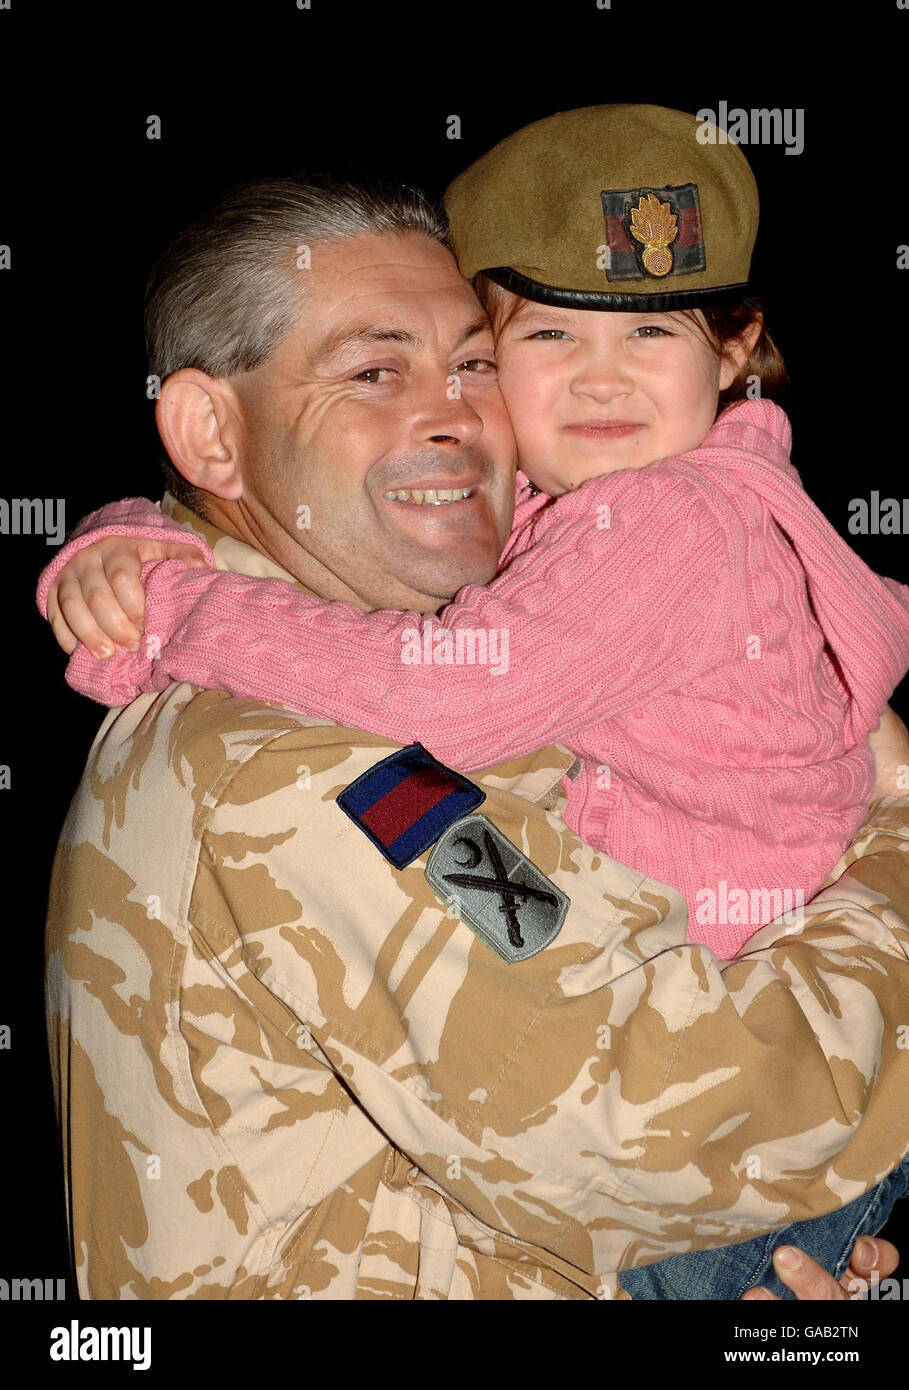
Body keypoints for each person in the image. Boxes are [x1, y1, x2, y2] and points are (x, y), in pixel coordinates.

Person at [37, 170, 909, 1301]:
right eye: (374, 371)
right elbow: (669, 1114)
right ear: (209, 428)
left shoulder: (391, 649)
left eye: (476, 365)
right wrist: (894, 838)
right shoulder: (298, 756)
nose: (452, 414)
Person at [38, 107, 909, 965]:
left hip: (714, 972)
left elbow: (443, 700)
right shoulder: (605, 489)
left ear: (733, 350)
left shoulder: (668, 519)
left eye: (649, 330)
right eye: (549, 334)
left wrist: (177, 608)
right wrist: (134, 532)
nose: (601, 383)